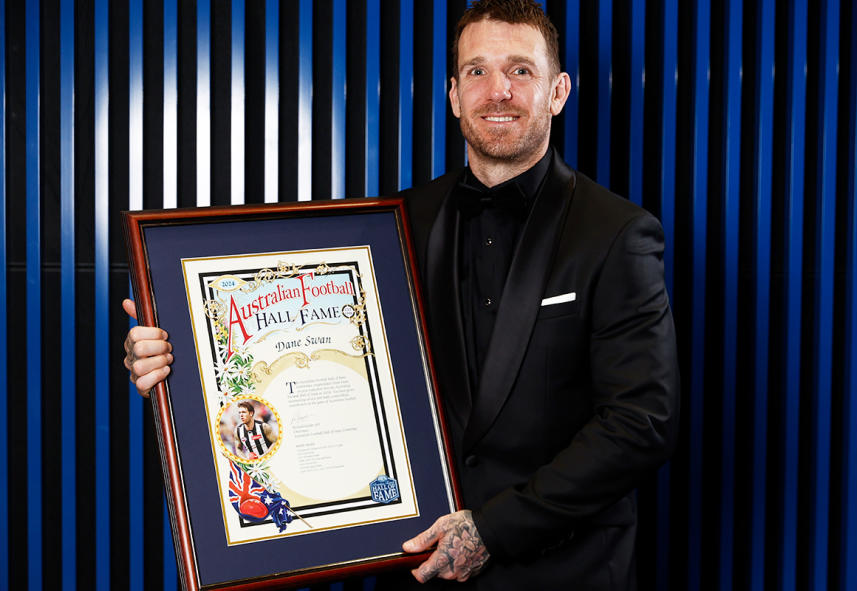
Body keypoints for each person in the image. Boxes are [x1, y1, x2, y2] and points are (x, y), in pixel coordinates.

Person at [124, 1, 679, 588]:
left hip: (565, 571)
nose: (499, 92)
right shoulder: (394, 225)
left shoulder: (616, 232)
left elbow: (641, 422)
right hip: (417, 570)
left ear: (557, 91)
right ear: (453, 94)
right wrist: (172, 357)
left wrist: (493, 530)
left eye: (521, 71)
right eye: (477, 71)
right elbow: (294, 351)